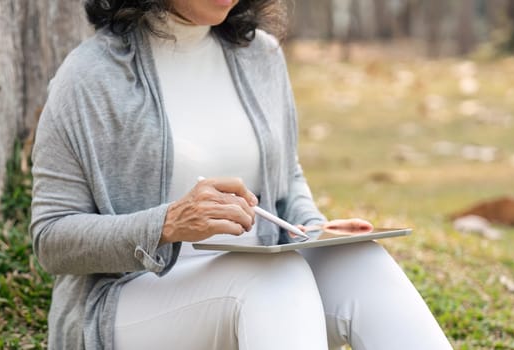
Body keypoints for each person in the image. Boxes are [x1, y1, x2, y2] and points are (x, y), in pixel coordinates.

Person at [29, 0, 452, 349]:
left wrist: (312, 228)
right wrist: (167, 224)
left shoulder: (260, 54)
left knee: (361, 261)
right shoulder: (87, 76)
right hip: (129, 306)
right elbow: (51, 239)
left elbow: (287, 176)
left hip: (270, 299)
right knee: (271, 279)